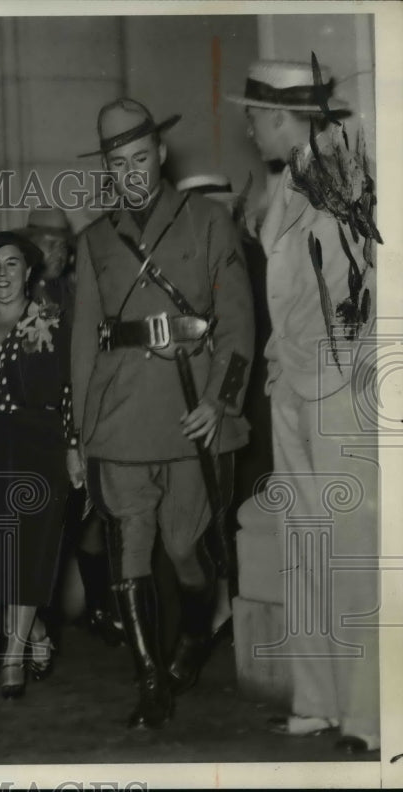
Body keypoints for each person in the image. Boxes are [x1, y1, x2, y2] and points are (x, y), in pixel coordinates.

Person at [71, 99, 254, 729]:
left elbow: (236, 321)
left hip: (190, 405)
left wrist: (219, 400)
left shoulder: (207, 221)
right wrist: (80, 434)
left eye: (141, 158)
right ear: (107, 168)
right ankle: (150, 680)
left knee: (182, 546)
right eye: (119, 163)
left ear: (161, 155)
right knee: (131, 547)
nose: (132, 173)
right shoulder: (94, 239)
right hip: (121, 412)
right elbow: (82, 342)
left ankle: (197, 634)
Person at [228, 59, 380, 755]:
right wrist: (274, 368)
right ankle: (318, 702)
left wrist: (330, 372)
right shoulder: (288, 182)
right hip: (290, 382)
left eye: (255, 114)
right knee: (304, 544)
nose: (248, 126)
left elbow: (359, 295)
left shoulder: (339, 174)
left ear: (283, 115)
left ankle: (370, 714)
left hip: (337, 385)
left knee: (349, 549)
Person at [0, 231, 81, 698]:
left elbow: (69, 393)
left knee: (30, 553)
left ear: (28, 272)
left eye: (12, 264)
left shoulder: (51, 321)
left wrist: (73, 445)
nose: (2, 275)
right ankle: (38, 633)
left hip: (39, 448)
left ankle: (14, 656)